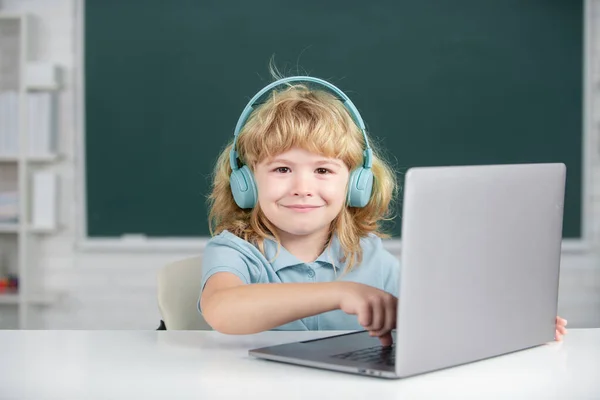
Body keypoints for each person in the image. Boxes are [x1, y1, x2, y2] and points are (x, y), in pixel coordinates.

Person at [198, 72, 568, 346]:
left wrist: (511, 324)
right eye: (281, 169)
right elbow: (222, 309)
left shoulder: (369, 255)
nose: (302, 187)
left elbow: (432, 315)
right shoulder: (235, 251)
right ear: (244, 183)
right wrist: (341, 293)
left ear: (357, 184)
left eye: (323, 170)